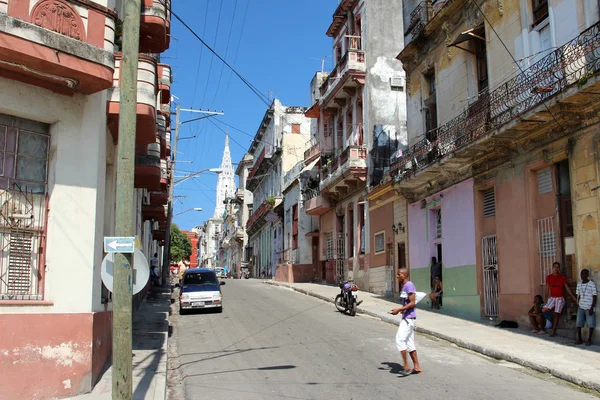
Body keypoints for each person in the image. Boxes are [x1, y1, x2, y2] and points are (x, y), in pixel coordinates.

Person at [391, 268, 422, 377]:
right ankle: (417, 367)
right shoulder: (405, 287)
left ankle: (406, 366)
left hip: (408, 320)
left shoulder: (409, 285)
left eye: (399, 274)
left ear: (404, 275)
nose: (397, 276)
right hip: (408, 317)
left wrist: (399, 309)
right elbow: (408, 303)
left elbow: (413, 303)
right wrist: (402, 309)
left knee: (399, 340)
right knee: (409, 343)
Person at [542, 262, 577, 337]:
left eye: (558, 267)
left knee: (557, 314)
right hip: (552, 298)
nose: (556, 268)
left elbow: (567, 288)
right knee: (544, 310)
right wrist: (545, 299)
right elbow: (547, 289)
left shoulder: (562, 277)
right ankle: (550, 319)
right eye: (555, 267)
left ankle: (553, 331)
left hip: (560, 298)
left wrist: (573, 297)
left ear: (559, 268)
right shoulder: (549, 277)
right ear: (552, 268)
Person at [576, 269, 597, 346]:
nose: (582, 276)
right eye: (581, 274)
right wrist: (577, 305)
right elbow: (578, 296)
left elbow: (595, 297)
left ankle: (589, 339)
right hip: (581, 306)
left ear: (587, 275)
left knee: (591, 324)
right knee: (579, 323)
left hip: (589, 307)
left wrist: (592, 308)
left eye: (584, 274)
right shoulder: (579, 284)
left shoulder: (591, 284)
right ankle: (579, 339)